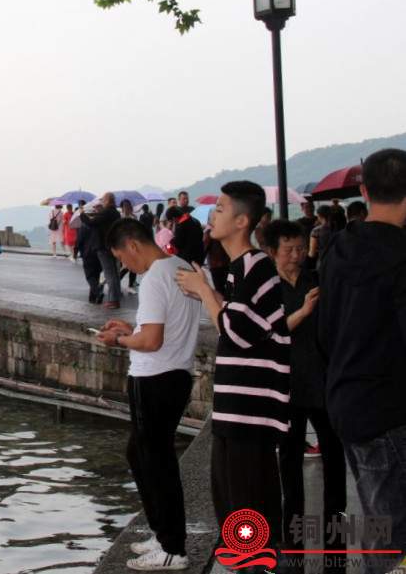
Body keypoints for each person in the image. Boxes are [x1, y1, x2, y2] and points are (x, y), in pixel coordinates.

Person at [175, 180, 290, 554]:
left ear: (242, 221)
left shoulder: (257, 266)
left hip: (249, 411)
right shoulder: (240, 268)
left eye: (221, 209)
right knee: (231, 499)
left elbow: (236, 332)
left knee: (246, 503)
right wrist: (208, 292)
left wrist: (204, 292)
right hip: (235, 407)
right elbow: (238, 322)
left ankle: (257, 563)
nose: (213, 215)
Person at [318, 148, 406, 571]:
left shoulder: (338, 247)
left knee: (379, 523)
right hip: (391, 409)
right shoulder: (401, 256)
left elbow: (325, 331)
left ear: (365, 191)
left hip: (345, 402)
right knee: (394, 531)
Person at [96, 218, 201, 571]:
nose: (124, 265)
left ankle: (172, 548)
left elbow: (152, 341)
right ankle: (162, 533)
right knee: (142, 454)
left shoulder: (155, 277)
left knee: (156, 462)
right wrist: (132, 329)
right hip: (176, 375)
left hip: (154, 377)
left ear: (133, 245)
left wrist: (119, 339)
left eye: (121, 258)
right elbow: (161, 329)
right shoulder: (180, 266)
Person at [263, 220, 346, 574]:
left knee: (335, 461)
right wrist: (303, 312)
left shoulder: (317, 280)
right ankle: (292, 545)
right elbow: (269, 333)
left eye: (300, 248)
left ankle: (336, 545)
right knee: (289, 464)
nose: (296, 256)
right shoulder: (267, 288)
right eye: (289, 250)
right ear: (272, 252)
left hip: (323, 381)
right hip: (287, 384)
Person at [82, 193, 122, 309]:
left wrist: (82, 214)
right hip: (113, 245)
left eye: (103, 200)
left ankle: (113, 300)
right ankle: (116, 298)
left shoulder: (106, 212)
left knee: (109, 274)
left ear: (108, 200)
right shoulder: (116, 213)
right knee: (115, 273)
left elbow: (91, 223)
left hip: (103, 246)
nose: (102, 202)